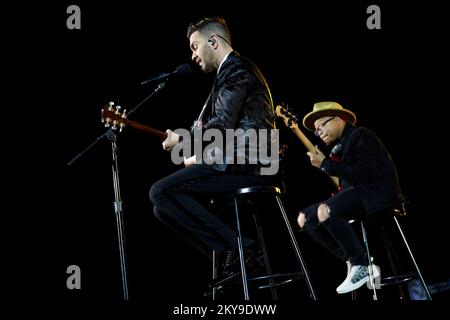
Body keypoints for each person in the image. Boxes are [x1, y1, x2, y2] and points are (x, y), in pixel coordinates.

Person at [149, 17, 277, 284]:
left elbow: (221, 126)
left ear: (213, 41)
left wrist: (182, 141)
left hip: (252, 163)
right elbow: (226, 129)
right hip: (237, 161)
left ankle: (244, 249)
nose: (193, 55)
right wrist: (198, 155)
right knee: (162, 207)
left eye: (195, 47)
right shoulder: (229, 74)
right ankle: (232, 254)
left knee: (160, 192)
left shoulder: (236, 68)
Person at [297, 101, 403, 294]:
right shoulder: (339, 147)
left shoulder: (361, 135)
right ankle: (352, 259)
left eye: (321, 125)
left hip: (377, 193)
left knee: (325, 211)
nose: (319, 131)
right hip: (360, 195)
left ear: (338, 120)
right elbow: (346, 183)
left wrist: (325, 165)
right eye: (316, 130)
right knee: (304, 218)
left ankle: (360, 264)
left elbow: (364, 173)